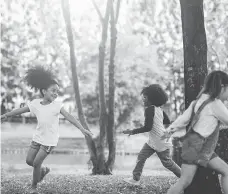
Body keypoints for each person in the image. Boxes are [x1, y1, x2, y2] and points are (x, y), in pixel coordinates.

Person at [1, 65, 93, 194]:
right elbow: (21, 110)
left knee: (37, 162)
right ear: (44, 91)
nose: (56, 94)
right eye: (53, 90)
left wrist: (82, 129)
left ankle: (33, 187)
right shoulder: (35, 104)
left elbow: (69, 117)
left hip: (49, 141)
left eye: (57, 91)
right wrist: (6, 115)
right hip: (37, 138)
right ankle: (43, 170)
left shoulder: (57, 106)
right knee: (29, 161)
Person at [162, 71, 228, 194]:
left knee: (226, 170)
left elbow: (183, 120)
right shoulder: (215, 104)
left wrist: (169, 131)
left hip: (201, 148)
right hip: (198, 147)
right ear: (222, 87)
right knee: (185, 181)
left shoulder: (198, 102)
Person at [122, 84, 181, 186]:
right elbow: (167, 121)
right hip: (155, 140)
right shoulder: (160, 110)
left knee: (167, 162)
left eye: (145, 97)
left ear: (151, 98)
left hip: (159, 140)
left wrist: (132, 131)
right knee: (142, 156)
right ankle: (135, 179)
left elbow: (147, 127)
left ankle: (185, 178)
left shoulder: (149, 109)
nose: (143, 100)